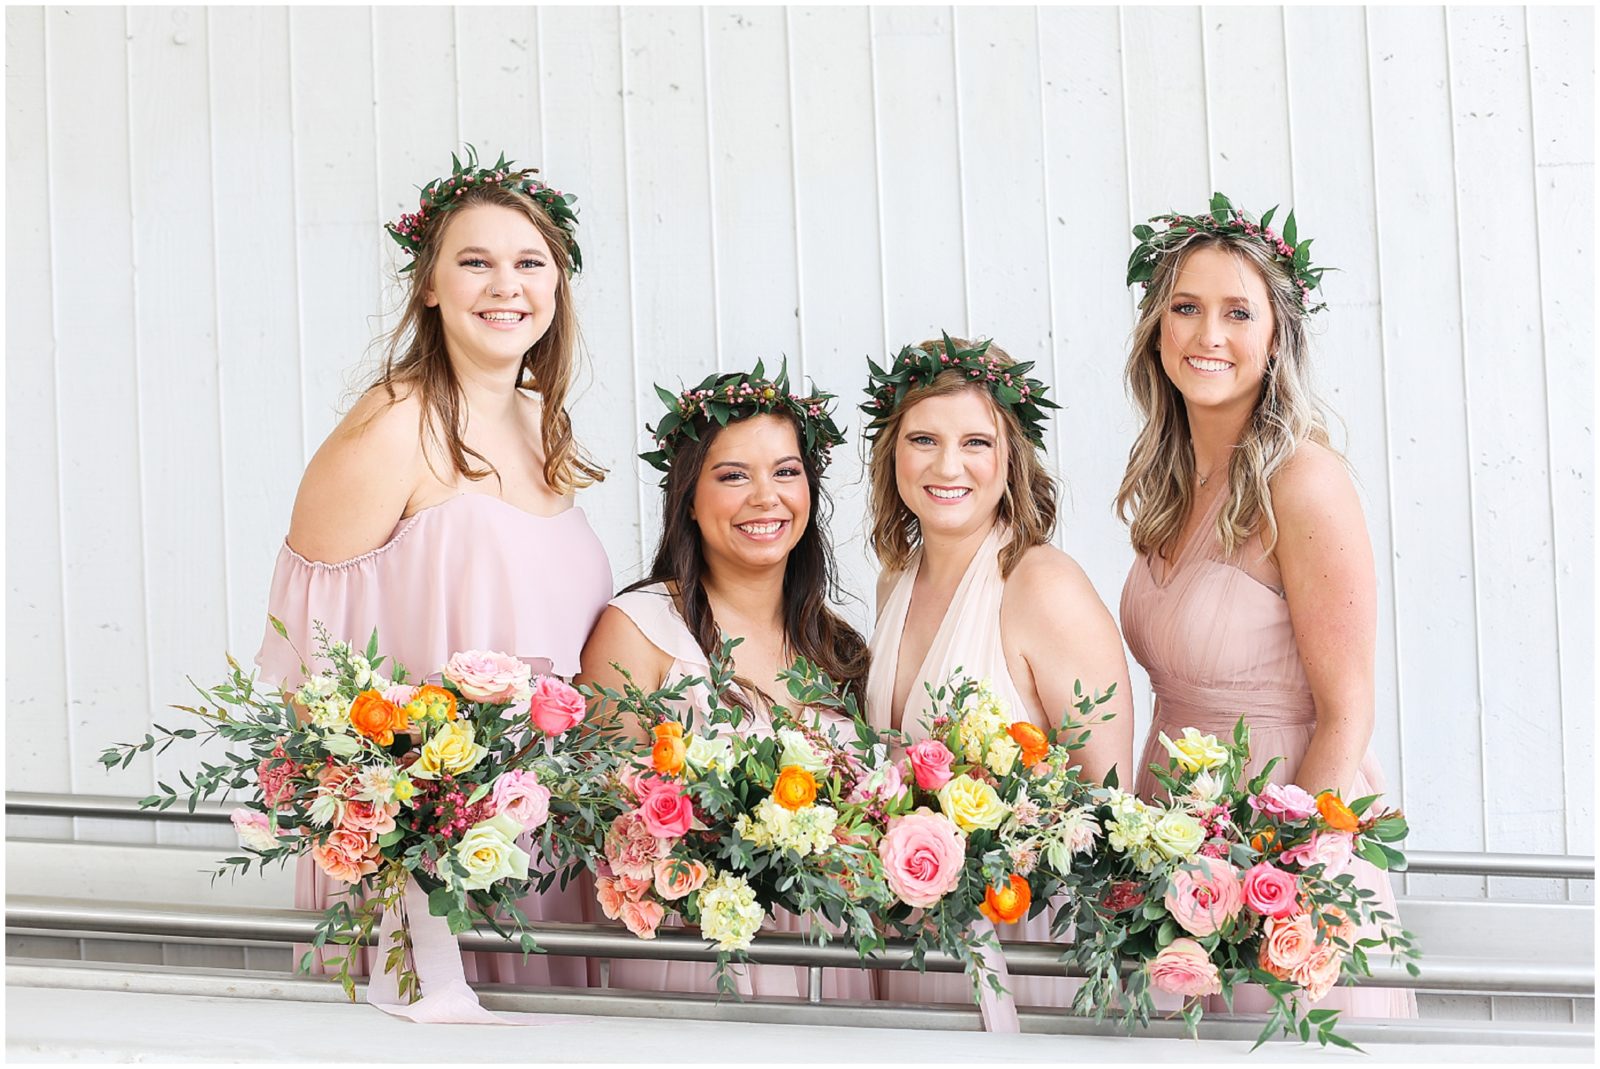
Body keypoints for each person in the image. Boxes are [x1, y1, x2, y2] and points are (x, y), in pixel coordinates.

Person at [254, 148, 612, 989]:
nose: (505, 285)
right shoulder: (394, 421)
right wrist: (403, 828)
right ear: (430, 284)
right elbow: (312, 655)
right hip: (426, 847)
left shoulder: (542, 426)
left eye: (529, 263)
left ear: (556, 288)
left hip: (540, 837)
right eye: (475, 262)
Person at [1116, 193, 1417, 1018]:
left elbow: (1347, 710)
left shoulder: (1305, 482)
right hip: (1175, 834)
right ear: (1158, 330)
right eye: (1186, 307)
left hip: (1283, 831)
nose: (1208, 335)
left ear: (1276, 335)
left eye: (1237, 312)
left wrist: (1279, 877)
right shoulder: (1172, 487)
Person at [577, 363, 876, 1000]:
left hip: (833, 953)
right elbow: (606, 833)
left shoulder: (840, 647)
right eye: (733, 475)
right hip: (696, 959)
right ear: (688, 495)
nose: (765, 498)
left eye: (786, 472)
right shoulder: (637, 630)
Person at [860, 334, 1135, 1012]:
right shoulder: (894, 581)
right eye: (923, 439)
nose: (947, 464)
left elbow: (1113, 807)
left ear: (1010, 456)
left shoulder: (1043, 584)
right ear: (892, 451)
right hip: (913, 936)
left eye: (976, 442)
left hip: (1024, 934)